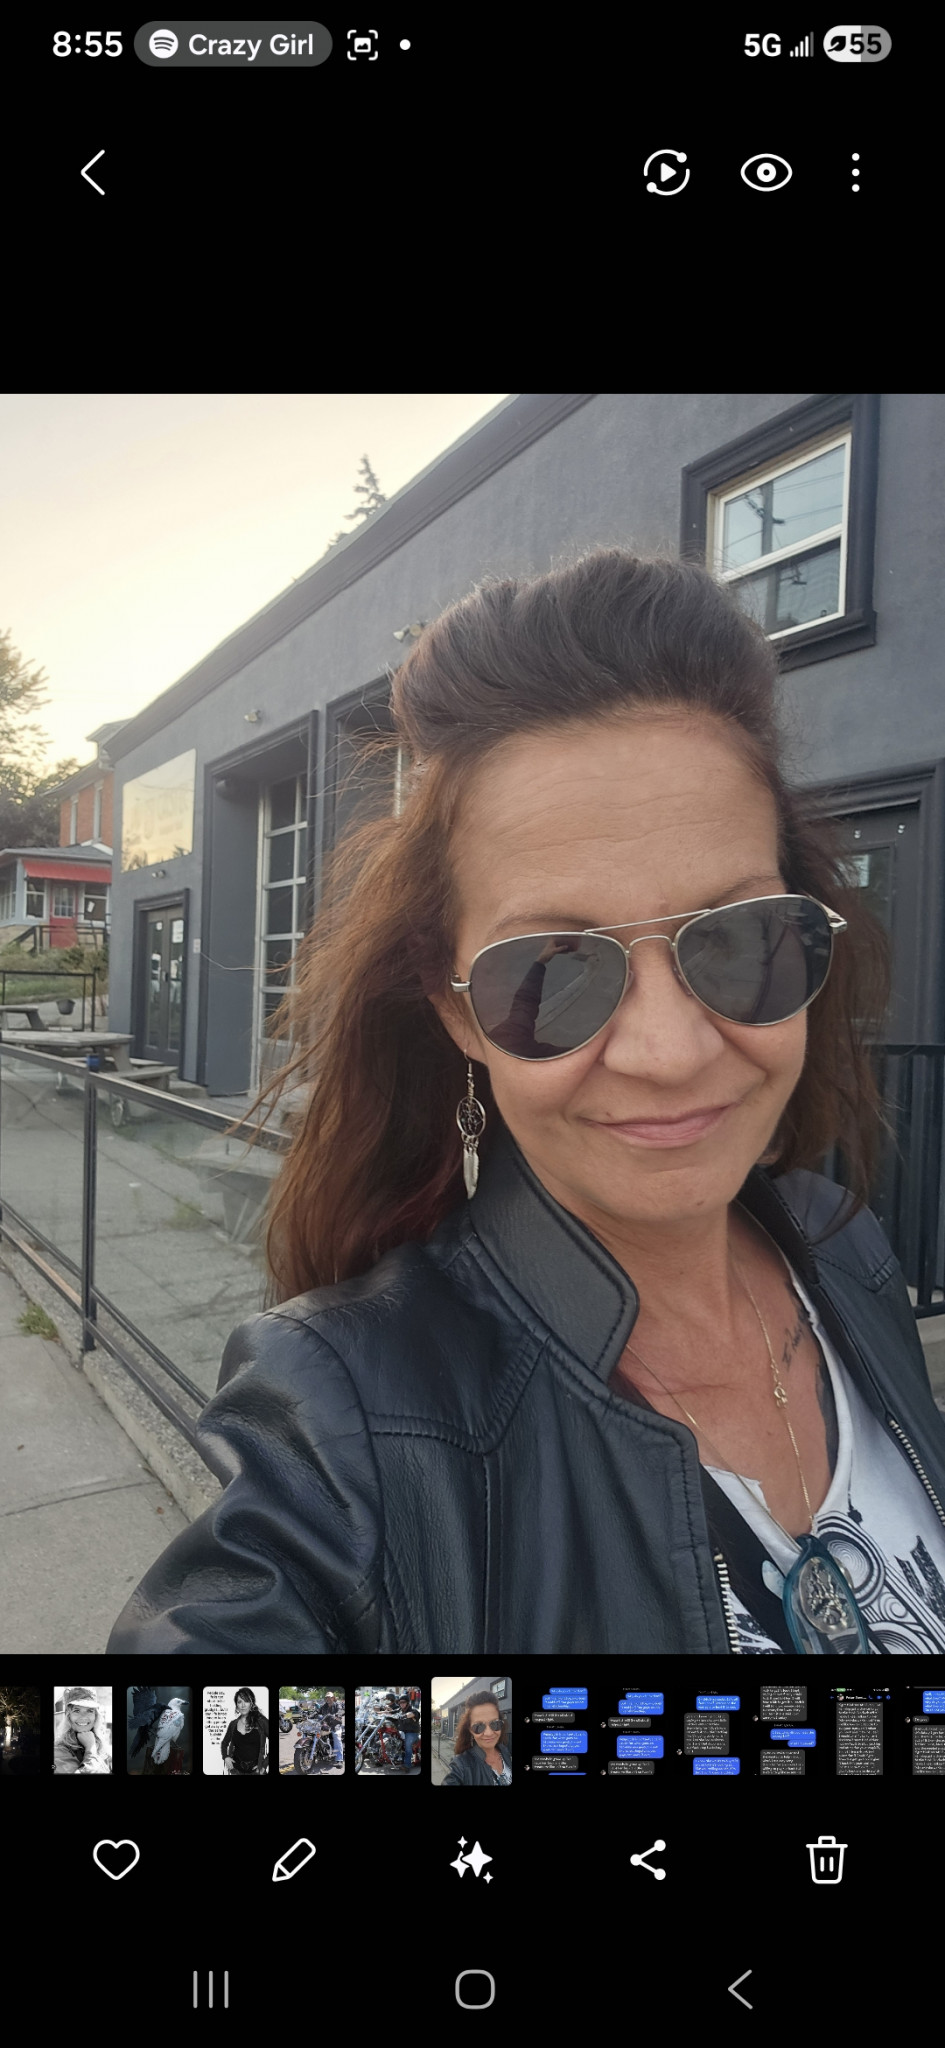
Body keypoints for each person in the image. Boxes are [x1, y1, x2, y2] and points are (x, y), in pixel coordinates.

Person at [107, 548, 945, 1656]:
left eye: (737, 939)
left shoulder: (845, 1249)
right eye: (554, 971)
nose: (666, 1050)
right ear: (455, 1012)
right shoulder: (346, 1413)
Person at [441, 1693, 511, 1786]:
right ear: (470, 1730)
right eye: (478, 1726)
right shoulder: (461, 1765)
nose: (489, 1733)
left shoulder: (504, 1750)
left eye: (495, 1723)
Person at [53, 1686, 111, 1774]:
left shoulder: (103, 1748)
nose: (83, 1717)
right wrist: (90, 1749)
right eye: (76, 1710)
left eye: (90, 1711)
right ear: (68, 1715)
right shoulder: (58, 1751)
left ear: (96, 1716)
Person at [220, 1688, 269, 1774]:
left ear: (251, 1703)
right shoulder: (233, 1724)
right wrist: (225, 1757)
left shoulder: (262, 1722)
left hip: (256, 1772)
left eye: (246, 1701)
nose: (243, 1705)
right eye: (239, 1702)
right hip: (236, 1771)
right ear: (236, 1705)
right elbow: (224, 1743)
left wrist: (264, 1765)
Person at [319, 1692, 344, 1767]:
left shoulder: (337, 1704)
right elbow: (317, 1711)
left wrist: (337, 1715)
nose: (328, 1699)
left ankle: (339, 1760)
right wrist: (311, 1715)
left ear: (333, 1698)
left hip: (335, 1725)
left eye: (330, 1697)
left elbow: (341, 1710)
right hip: (326, 1725)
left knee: (336, 1737)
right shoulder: (324, 1706)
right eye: (327, 1697)